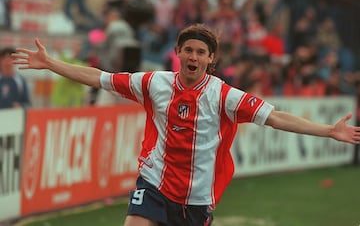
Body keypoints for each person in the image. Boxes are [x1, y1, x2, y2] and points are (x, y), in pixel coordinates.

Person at [12, 23, 360, 226]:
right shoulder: (153, 83)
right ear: (178, 51)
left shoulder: (224, 96)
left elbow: (277, 117)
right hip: (154, 183)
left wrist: (327, 131)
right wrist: (51, 63)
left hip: (196, 198)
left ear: (211, 59)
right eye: (188, 50)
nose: (194, 57)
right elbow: (99, 77)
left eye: (201, 53)